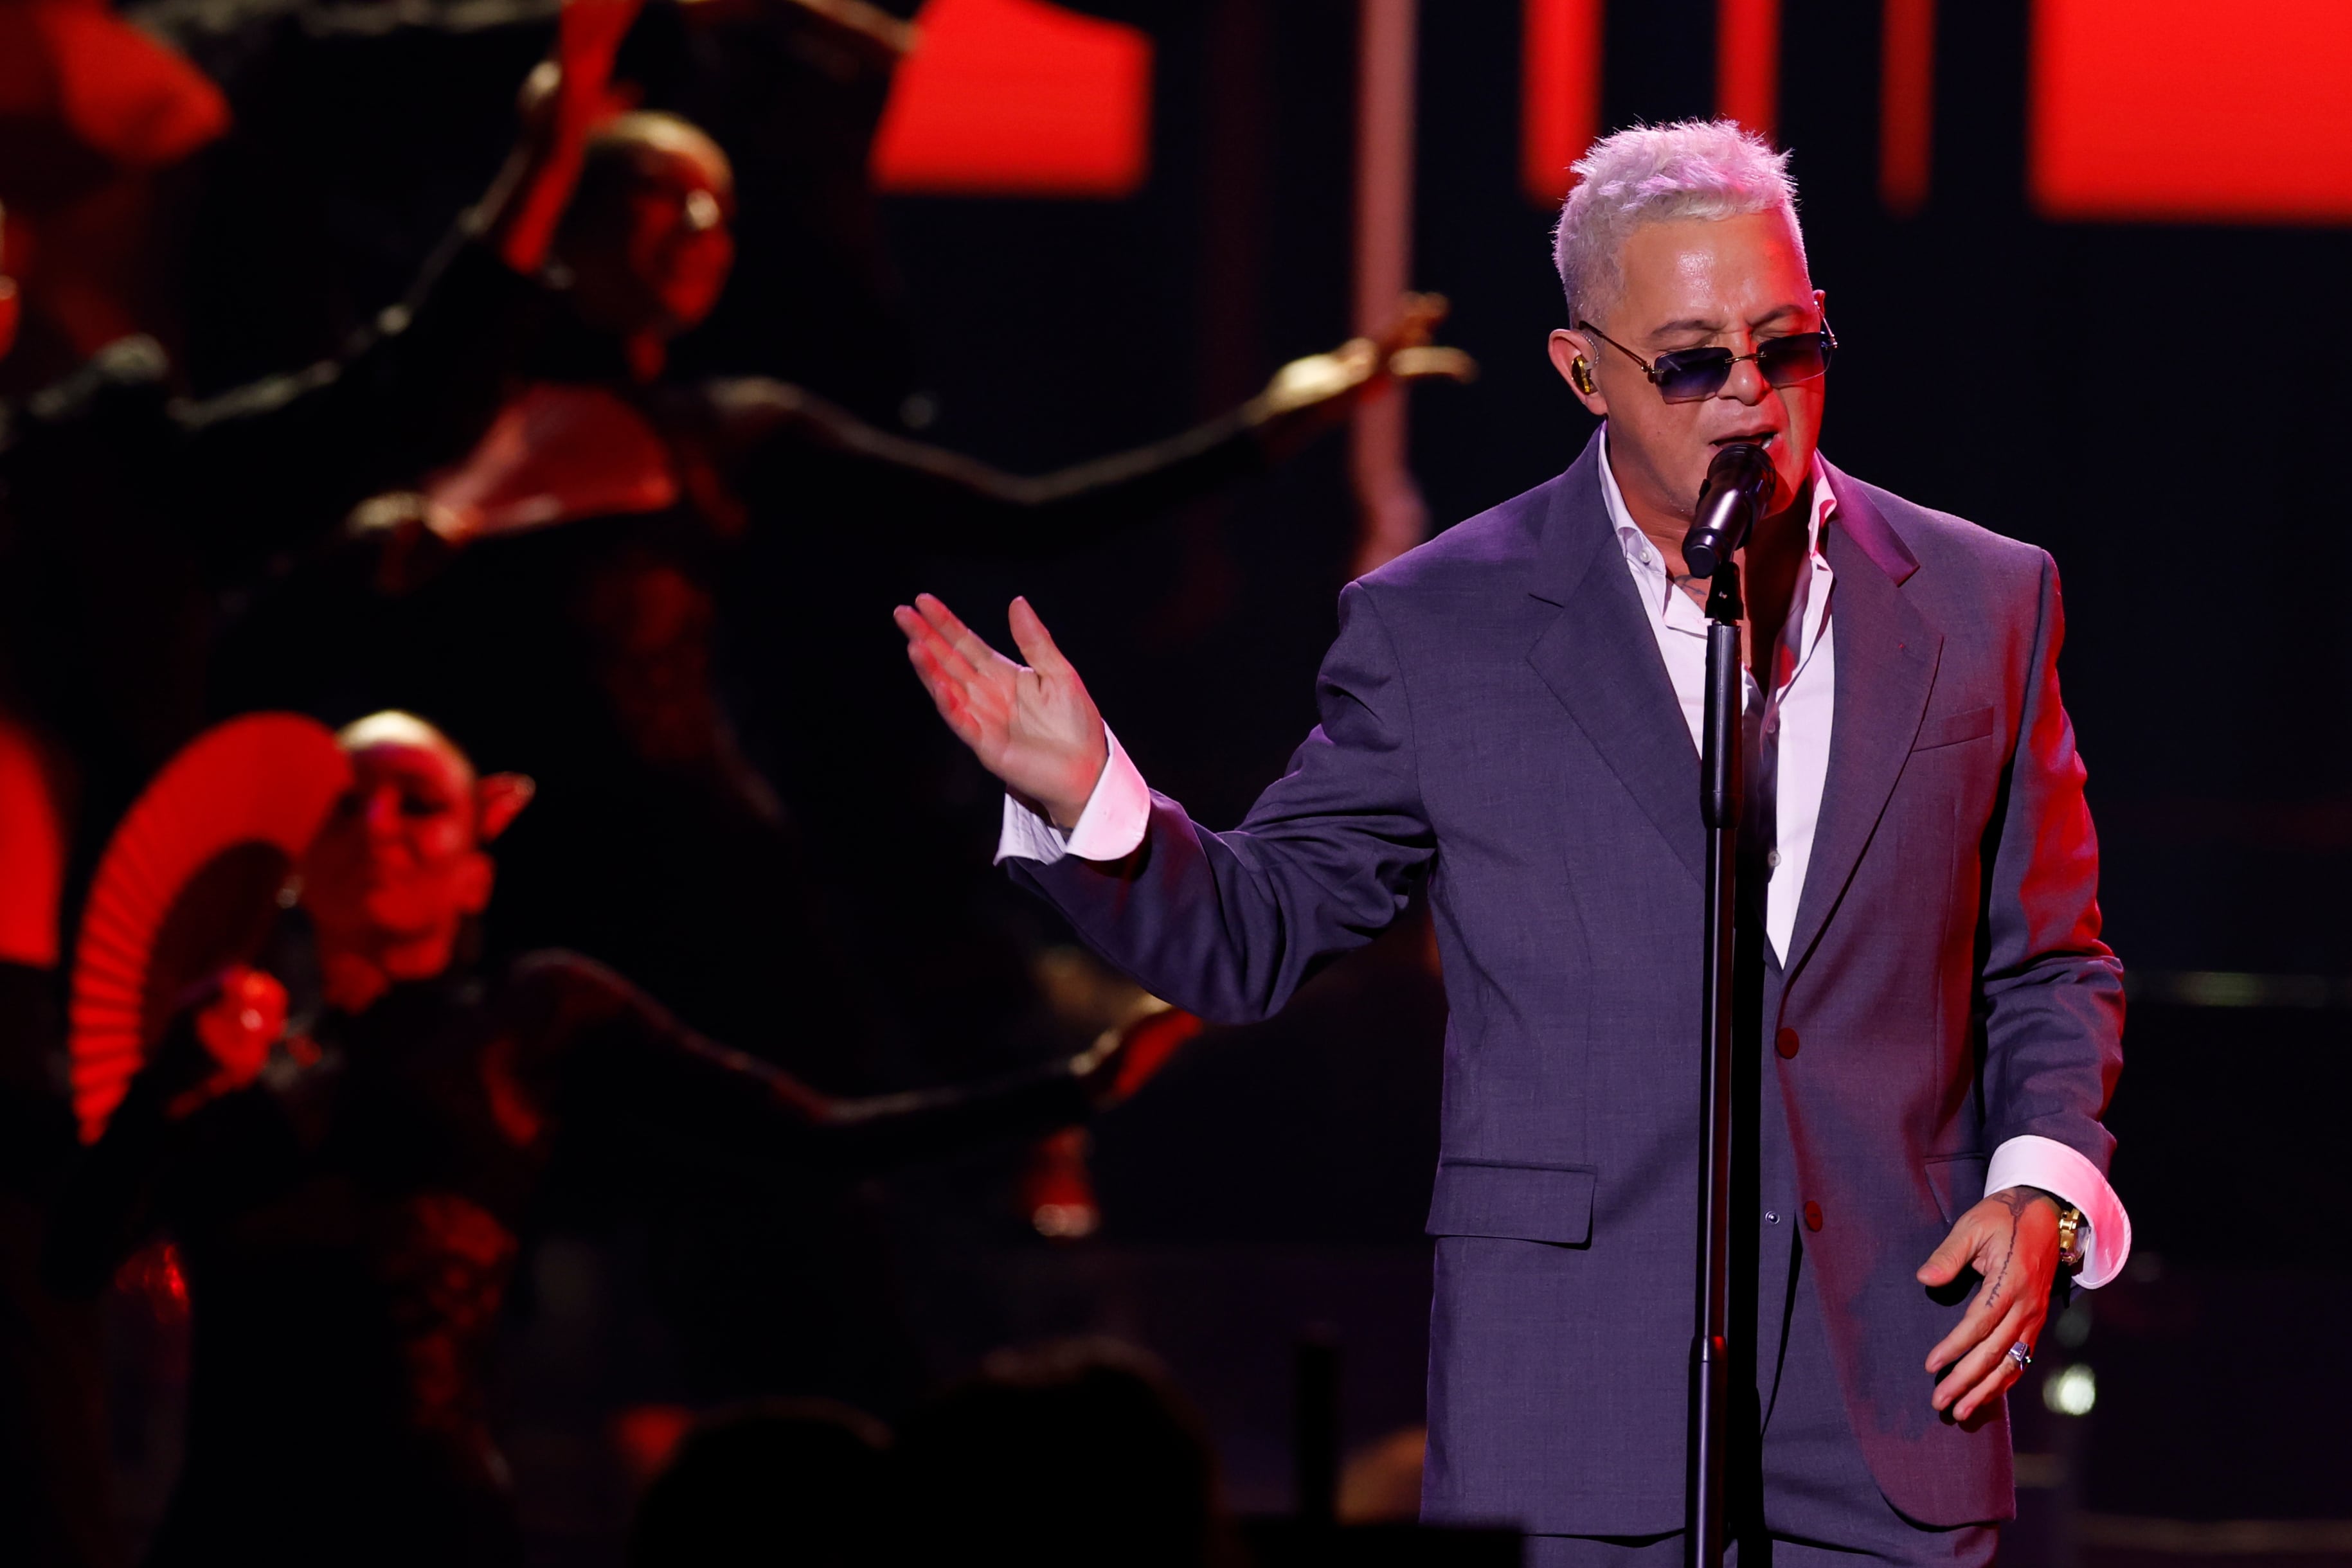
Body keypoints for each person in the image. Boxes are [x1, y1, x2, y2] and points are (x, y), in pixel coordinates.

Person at [893, 120, 2132, 1565]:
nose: (1749, 394)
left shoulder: (1984, 601)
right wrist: (1093, 796)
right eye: (1688, 359)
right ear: (1583, 370)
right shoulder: (1444, 628)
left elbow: (2049, 957)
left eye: (1786, 346)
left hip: (1896, 1392)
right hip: (1574, 1411)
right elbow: (1250, 935)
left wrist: (2040, 1183)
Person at [45, 711, 1178, 1568]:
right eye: (344, 807)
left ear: (476, 863)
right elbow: (73, 1263)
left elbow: (811, 1134)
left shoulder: (528, 1014)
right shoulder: (234, 1061)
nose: (378, 828)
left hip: (430, 1529)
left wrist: (1065, 1092)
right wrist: (165, 1092)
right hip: (226, 1533)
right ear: (296, 865)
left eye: (416, 804)